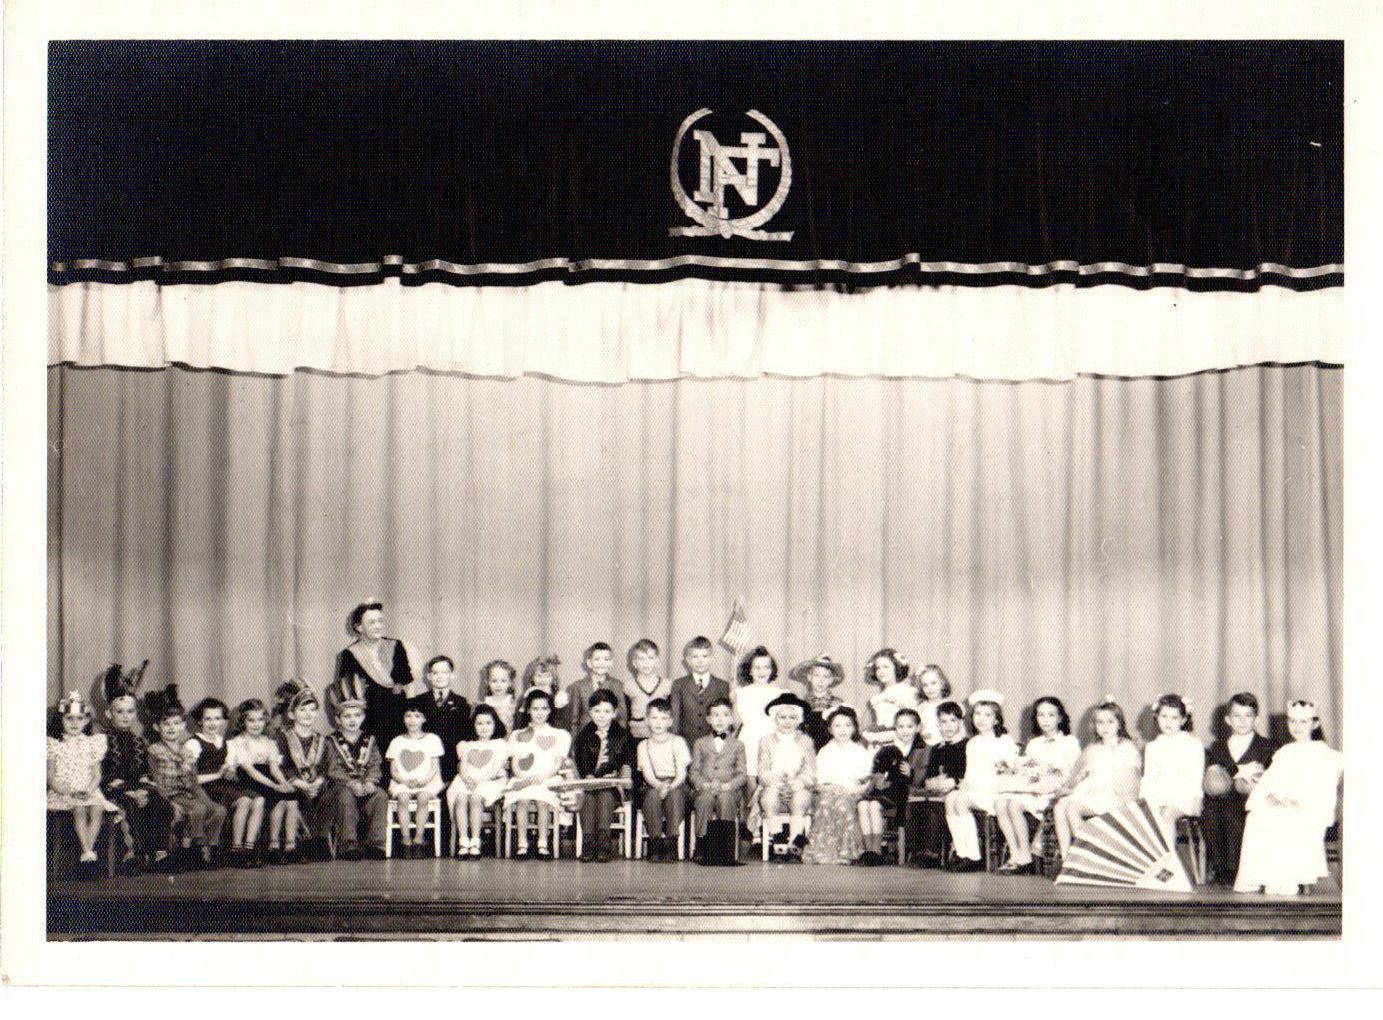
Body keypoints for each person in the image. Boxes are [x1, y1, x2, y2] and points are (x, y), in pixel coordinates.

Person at [1234, 699, 1343, 895]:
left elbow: (1321, 788)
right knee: (1257, 816)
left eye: (1303, 722)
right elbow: (1269, 782)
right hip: (1281, 803)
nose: (1297, 726)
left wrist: (1294, 800)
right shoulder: (1284, 752)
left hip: (1305, 808)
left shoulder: (1325, 755)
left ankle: (1283, 878)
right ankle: (1258, 877)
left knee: (1284, 818)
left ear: (1315, 724)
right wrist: (1271, 795)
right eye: (1292, 721)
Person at [98, 664, 174, 876]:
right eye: (120, 712)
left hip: (137, 787)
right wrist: (129, 791)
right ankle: (134, 855)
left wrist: (144, 789)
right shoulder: (102, 740)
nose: (126, 716)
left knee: (159, 802)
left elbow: (144, 772)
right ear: (109, 713)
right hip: (112, 789)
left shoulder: (139, 741)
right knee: (129, 805)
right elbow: (103, 775)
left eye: (130, 711)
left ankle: (159, 854)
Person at [993, 696, 1080, 874]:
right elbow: (1028, 770)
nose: (1045, 720)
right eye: (1041, 715)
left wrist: (1050, 776)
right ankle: (1015, 854)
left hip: (1055, 791)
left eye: (1051, 715)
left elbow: (1073, 773)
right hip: (1034, 788)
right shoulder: (1034, 743)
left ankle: (1025, 857)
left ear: (1060, 718)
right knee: (1001, 803)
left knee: (1014, 805)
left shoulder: (1069, 742)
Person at [1201, 692, 1277, 885]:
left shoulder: (1268, 746)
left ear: (1256, 719)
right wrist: (1240, 771)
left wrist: (1246, 775)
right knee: (1210, 811)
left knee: (1235, 812)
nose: (1242, 721)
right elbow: (1214, 777)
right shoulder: (1218, 747)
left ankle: (1237, 869)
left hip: (1253, 799)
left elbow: (1272, 776)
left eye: (1248, 716)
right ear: (1228, 719)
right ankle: (1220, 867)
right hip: (1221, 799)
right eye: (1237, 716)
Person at [1052, 699, 1142, 861]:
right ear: (1095, 726)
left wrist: (1126, 800)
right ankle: (1067, 858)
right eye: (1100, 722)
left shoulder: (1127, 748)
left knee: (1072, 808)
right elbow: (1078, 774)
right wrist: (1068, 787)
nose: (1105, 727)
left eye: (1110, 722)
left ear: (1119, 724)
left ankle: (1091, 853)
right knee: (1059, 808)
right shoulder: (1092, 749)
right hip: (1091, 791)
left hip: (1114, 794)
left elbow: (1132, 781)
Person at [144, 694, 226, 870]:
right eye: (166, 724)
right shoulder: (155, 750)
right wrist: (169, 802)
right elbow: (156, 781)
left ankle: (210, 847)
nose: (171, 728)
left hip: (188, 794)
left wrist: (208, 802)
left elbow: (194, 783)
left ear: (182, 726)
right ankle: (191, 849)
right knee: (198, 809)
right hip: (171, 794)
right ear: (157, 727)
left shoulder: (187, 751)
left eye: (176, 723)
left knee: (219, 810)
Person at [944, 690, 1019, 872]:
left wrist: (977, 786)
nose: (981, 719)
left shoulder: (1004, 741)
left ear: (996, 719)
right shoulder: (973, 743)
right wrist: (965, 784)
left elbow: (1007, 772)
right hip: (976, 791)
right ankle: (962, 852)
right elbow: (970, 773)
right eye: (977, 714)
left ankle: (974, 856)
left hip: (995, 792)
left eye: (987, 715)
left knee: (960, 800)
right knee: (951, 798)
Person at [48, 690, 118, 879]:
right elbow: (51, 776)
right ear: (61, 719)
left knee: (97, 808)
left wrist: (89, 790)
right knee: (79, 810)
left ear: (86, 720)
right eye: (69, 718)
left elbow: (97, 774)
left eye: (79, 718)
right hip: (65, 791)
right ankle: (87, 853)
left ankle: (88, 853)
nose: (74, 723)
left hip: (88, 790)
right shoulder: (55, 744)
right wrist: (67, 791)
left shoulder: (92, 744)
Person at [329, 600, 416, 751]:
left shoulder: (396, 646)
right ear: (359, 627)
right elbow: (347, 696)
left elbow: (408, 685)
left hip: (399, 720)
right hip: (370, 724)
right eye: (372, 622)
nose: (378, 626)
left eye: (380, 621)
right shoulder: (349, 654)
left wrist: (411, 717)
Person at [504, 689, 571, 859]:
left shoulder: (559, 734)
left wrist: (544, 776)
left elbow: (558, 762)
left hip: (548, 778)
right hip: (523, 778)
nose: (539, 713)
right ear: (528, 710)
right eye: (535, 708)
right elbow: (515, 762)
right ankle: (522, 844)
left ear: (550, 710)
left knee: (543, 802)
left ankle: (543, 844)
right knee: (522, 801)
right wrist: (523, 777)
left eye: (544, 708)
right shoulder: (518, 735)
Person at [226, 698, 293, 867]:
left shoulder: (269, 742)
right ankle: (245, 848)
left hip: (265, 778)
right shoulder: (237, 742)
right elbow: (249, 770)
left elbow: (274, 769)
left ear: (265, 721)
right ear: (243, 721)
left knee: (284, 798)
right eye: (251, 720)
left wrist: (284, 783)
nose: (256, 724)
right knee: (267, 797)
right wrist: (274, 786)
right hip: (246, 781)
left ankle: (273, 846)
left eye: (260, 720)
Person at [803, 706, 873, 865]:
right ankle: (822, 851)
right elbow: (819, 781)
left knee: (842, 804)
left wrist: (853, 788)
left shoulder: (860, 752)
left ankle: (846, 851)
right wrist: (831, 788)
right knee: (825, 803)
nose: (843, 730)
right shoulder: (825, 751)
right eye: (838, 725)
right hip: (829, 791)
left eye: (847, 725)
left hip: (852, 792)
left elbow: (866, 780)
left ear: (854, 728)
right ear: (830, 729)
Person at [571, 688, 635, 862]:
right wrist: (589, 775)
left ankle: (604, 843)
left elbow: (627, 763)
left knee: (605, 795)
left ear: (614, 713)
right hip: (590, 784)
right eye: (597, 711)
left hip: (614, 787)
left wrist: (617, 777)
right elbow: (581, 761)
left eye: (607, 711)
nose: (601, 716)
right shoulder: (584, 735)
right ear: (590, 712)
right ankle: (588, 842)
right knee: (588, 796)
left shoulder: (623, 735)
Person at [323, 696, 389, 861]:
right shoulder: (331, 741)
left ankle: (376, 844)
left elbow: (375, 764)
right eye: (347, 716)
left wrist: (371, 781)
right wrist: (351, 783)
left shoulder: (370, 740)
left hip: (365, 785)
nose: (352, 720)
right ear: (338, 719)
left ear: (363, 717)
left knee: (380, 795)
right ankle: (348, 844)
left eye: (357, 715)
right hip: (341, 787)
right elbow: (332, 769)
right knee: (346, 796)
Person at [862, 707, 929, 865]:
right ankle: (869, 850)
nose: (905, 731)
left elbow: (924, 776)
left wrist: (912, 773)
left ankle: (877, 850)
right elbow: (878, 768)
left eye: (909, 726)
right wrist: (877, 778)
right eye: (900, 726)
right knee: (863, 804)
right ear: (895, 728)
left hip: (906, 793)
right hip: (887, 789)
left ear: (918, 728)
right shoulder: (888, 748)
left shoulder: (923, 749)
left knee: (874, 805)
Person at [757, 691, 817, 861]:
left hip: (799, 785)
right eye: (782, 717)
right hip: (773, 785)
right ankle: (778, 842)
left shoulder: (806, 741)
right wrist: (776, 783)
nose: (787, 722)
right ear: (775, 719)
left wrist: (797, 783)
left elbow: (811, 770)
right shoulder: (766, 741)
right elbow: (763, 769)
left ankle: (794, 844)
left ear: (799, 720)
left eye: (792, 718)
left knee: (800, 800)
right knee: (769, 800)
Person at [275, 681, 331, 863]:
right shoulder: (282, 737)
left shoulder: (321, 740)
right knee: (297, 796)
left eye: (312, 709)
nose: (308, 714)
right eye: (302, 710)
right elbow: (281, 766)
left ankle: (320, 839)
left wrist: (317, 783)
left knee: (331, 794)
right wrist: (301, 784)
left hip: (316, 785)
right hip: (293, 784)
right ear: (292, 713)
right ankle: (303, 842)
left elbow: (325, 767)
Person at [908, 700, 967, 868]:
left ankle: (933, 853)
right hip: (939, 789)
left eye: (952, 721)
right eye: (943, 722)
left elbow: (966, 773)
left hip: (958, 791)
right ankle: (918, 851)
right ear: (938, 725)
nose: (948, 726)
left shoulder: (967, 745)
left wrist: (951, 782)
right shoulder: (936, 748)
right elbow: (929, 776)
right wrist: (933, 782)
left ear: (961, 722)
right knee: (916, 803)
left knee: (936, 806)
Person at [447, 704, 510, 858]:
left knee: (475, 797)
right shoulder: (466, 745)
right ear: (473, 725)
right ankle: (463, 841)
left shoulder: (500, 744)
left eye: (488, 723)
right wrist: (466, 778)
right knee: (460, 797)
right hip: (467, 780)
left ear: (495, 724)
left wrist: (479, 781)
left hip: (490, 781)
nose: (484, 727)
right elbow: (462, 766)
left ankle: (475, 841)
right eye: (479, 723)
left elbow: (496, 768)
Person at [689, 697, 748, 858]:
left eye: (725, 715)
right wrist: (703, 784)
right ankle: (702, 845)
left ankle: (725, 847)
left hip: (728, 789)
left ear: (731, 719)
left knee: (725, 799)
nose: (720, 719)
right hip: (705, 789)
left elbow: (742, 774)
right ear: (708, 719)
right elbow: (694, 772)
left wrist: (728, 786)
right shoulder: (700, 743)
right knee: (705, 800)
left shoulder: (738, 745)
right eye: (715, 715)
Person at [405, 655, 474, 787]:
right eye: (435, 673)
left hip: (451, 763)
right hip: (424, 762)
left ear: (452, 675)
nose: (440, 676)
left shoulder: (462, 703)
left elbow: (465, 736)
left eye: (444, 672)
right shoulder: (418, 701)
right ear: (428, 676)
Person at [1139, 694, 1206, 829]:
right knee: (1147, 818)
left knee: (1167, 814)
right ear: (1156, 717)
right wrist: (1143, 801)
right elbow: (1149, 778)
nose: (1168, 722)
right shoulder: (1152, 747)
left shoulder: (1193, 744)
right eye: (1164, 716)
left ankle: (1167, 844)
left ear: (1183, 720)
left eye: (1174, 718)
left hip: (1185, 796)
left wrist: (1197, 798)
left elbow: (1196, 775)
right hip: (1159, 795)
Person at [386, 705, 444, 857]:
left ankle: (419, 837)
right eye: (408, 716)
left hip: (427, 781)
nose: (412, 720)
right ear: (403, 719)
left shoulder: (432, 739)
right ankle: (406, 839)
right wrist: (404, 781)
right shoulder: (397, 741)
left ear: (424, 719)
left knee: (423, 797)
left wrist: (424, 781)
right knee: (403, 798)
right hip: (402, 781)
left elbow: (434, 767)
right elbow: (393, 771)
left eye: (417, 716)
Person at [636, 699, 691, 861]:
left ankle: (671, 842)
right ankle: (655, 842)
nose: (658, 722)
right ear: (646, 720)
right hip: (653, 783)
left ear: (670, 721)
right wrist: (659, 785)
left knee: (675, 796)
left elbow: (681, 773)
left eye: (663, 718)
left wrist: (670, 786)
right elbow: (647, 773)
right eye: (654, 718)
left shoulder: (678, 741)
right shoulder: (643, 745)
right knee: (652, 796)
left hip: (676, 783)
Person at [730, 647, 787, 785]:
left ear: (772, 670)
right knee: (751, 786)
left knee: (770, 785)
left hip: (772, 742)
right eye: (757, 668)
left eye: (766, 667)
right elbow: (735, 723)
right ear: (750, 670)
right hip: (749, 741)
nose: (762, 672)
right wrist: (734, 703)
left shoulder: (780, 694)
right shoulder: (741, 693)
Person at [669, 636, 731, 747]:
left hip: (714, 747)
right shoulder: (679, 685)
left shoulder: (723, 686)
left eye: (704, 656)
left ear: (711, 658)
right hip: (686, 746)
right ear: (688, 660)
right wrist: (675, 746)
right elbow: (675, 720)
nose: (700, 661)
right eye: (695, 657)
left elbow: (726, 722)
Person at [566, 642, 630, 734]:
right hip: (585, 737)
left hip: (610, 736)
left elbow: (622, 717)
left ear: (611, 663)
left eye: (606, 659)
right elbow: (573, 720)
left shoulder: (618, 685)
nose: (601, 663)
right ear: (589, 663)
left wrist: (619, 738)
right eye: (597, 659)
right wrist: (575, 741)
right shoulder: (577, 687)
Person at [863, 648, 919, 745]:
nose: (881, 671)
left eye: (886, 667)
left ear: (896, 667)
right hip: (881, 739)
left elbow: (914, 717)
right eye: (878, 668)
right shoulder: (877, 698)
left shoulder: (907, 691)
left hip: (902, 740)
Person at [792, 655, 848, 749]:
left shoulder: (837, 704)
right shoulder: (802, 704)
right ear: (809, 677)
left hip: (832, 750)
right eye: (816, 675)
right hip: (808, 749)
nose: (821, 680)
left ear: (831, 680)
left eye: (826, 676)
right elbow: (797, 731)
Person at [622, 639, 672, 741]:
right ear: (634, 663)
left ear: (657, 661)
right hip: (635, 737)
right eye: (641, 659)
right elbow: (625, 715)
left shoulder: (668, 685)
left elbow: (672, 714)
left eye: (650, 658)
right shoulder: (628, 686)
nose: (646, 663)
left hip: (661, 737)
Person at [517, 654, 568, 730]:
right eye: (539, 676)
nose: (543, 680)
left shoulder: (558, 696)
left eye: (547, 676)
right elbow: (521, 721)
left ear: (553, 678)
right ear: (532, 678)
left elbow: (562, 720)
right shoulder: (527, 696)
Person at [915, 665, 954, 747]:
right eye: (925, 685)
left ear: (942, 683)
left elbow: (959, 732)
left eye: (933, 683)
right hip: (926, 748)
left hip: (947, 747)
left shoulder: (951, 705)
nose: (930, 688)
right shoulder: (920, 708)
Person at [477, 659, 519, 733]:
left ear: (510, 682)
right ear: (487, 682)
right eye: (494, 681)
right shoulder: (484, 704)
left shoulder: (514, 705)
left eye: (503, 681)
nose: (498, 685)